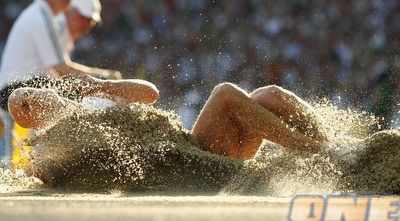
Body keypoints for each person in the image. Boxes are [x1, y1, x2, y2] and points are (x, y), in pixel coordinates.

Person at [7, 82, 327, 160]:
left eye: (32, 90)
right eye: (25, 102)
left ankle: (336, 146)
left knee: (268, 95)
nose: (36, 95)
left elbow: (151, 94)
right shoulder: (55, 140)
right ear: (30, 115)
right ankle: (315, 151)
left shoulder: (90, 99)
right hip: (187, 159)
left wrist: (99, 85)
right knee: (226, 93)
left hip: (193, 144)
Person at [0, 0, 119, 110]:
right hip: (15, 91)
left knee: (81, 92)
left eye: (89, 21)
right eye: (82, 17)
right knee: (88, 95)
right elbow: (62, 69)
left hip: (17, 88)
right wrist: (104, 77)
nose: (85, 24)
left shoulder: (43, 15)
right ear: (70, 10)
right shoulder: (42, 17)